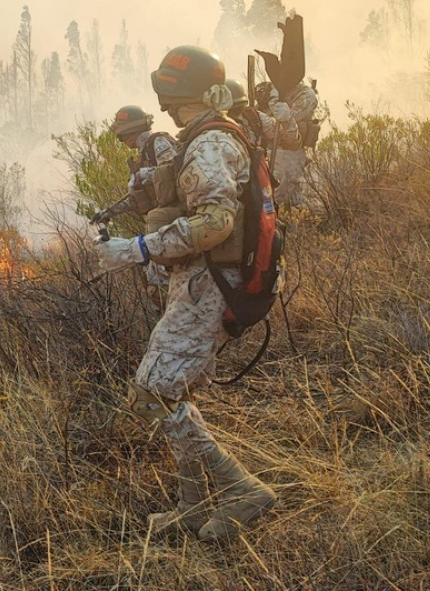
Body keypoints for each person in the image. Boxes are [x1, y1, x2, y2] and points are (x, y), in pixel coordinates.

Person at [95, 46, 277, 541]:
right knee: (177, 390)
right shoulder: (209, 136)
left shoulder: (208, 144)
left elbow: (215, 223)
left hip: (210, 286)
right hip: (205, 282)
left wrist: (138, 248)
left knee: (153, 391)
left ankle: (241, 489)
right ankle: (193, 505)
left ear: (173, 92)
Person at [89, 105, 177, 226]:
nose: (122, 140)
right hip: (163, 220)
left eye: (121, 135)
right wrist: (110, 212)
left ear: (130, 131)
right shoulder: (144, 154)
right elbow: (136, 197)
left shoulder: (158, 142)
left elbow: (174, 170)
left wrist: (142, 174)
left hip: (177, 218)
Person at [256, 80, 320, 207]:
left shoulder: (305, 94)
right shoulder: (271, 89)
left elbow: (291, 118)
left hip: (290, 152)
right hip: (269, 151)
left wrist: (275, 103)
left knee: (285, 196)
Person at [225, 79, 302, 152]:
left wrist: (287, 121)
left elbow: (291, 142)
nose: (233, 116)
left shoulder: (254, 118)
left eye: (237, 109)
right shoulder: (215, 127)